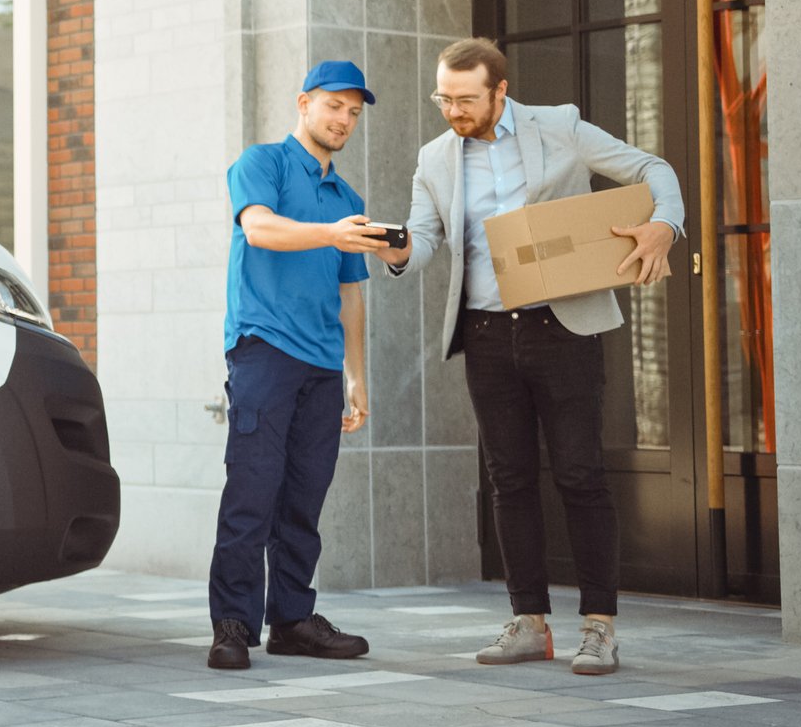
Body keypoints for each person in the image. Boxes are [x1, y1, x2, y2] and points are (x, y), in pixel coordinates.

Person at [376, 37, 682, 677]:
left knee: (580, 474)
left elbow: (653, 168)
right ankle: (529, 622)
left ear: (499, 92)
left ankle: (599, 626)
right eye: (444, 98)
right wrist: (397, 250)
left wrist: (665, 225)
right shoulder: (434, 157)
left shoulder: (561, 127)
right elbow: (426, 236)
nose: (452, 110)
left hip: (563, 326)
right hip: (486, 335)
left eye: (464, 99)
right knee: (509, 478)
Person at [208, 60, 386, 670]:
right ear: (303, 103)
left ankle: (291, 619)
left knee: (304, 500)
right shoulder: (263, 163)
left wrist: (356, 375)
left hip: (322, 367)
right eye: (334, 106)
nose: (344, 120)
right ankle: (232, 624)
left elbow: (350, 293)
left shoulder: (348, 199)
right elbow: (258, 229)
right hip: (263, 351)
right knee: (252, 492)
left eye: (354, 113)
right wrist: (331, 233)